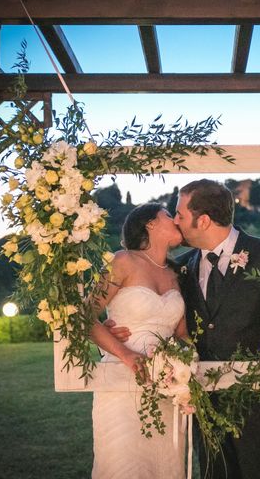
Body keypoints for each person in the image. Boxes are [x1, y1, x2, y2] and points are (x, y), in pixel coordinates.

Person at [108, 180, 260, 479]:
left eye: (179, 213)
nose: (175, 220)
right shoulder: (181, 268)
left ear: (202, 220)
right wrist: (117, 327)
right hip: (205, 405)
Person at [88, 202, 188, 479]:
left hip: (167, 386)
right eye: (169, 215)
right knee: (125, 464)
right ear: (150, 223)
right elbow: (83, 316)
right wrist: (125, 353)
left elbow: (182, 335)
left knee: (164, 465)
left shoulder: (175, 274)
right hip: (121, 379)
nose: (176, 220)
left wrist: (185, 366)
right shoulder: (122, 261)